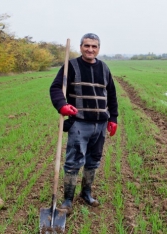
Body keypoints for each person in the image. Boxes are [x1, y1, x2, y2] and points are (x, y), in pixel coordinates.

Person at [49, 33, 118, 214]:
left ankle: (86, 193)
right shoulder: (70, 66)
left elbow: (111, 95)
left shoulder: (104, 68)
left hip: (101, 124)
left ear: (98, 49)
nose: (90, 49)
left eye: (94, 46)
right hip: (80, 124)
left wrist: (113, 118)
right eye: (87, 46)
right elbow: (56, 88)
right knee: (73, 162)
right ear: (80, 47)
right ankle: (67, 200)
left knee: (93, 161)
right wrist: (62, 105)